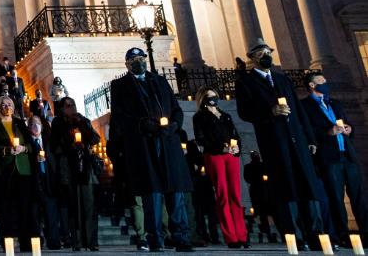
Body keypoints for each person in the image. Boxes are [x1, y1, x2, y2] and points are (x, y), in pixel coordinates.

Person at [236, 40, 324, 248]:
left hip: (297, 139)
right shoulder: (246, 82)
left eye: (268, 52)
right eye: (261, 53)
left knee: (307, 185)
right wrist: (270, 112)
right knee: (287, 187)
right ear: (252, 58)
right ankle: (295, 236)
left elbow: (299, 111)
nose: (266, 55)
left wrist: (310, 138)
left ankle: (316, 234)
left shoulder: (282, 79)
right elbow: (244, 112)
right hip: (274, 141)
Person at [108, 47, 191, 252]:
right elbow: (119, 116)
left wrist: (174, 126)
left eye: (142, 58)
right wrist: (141, 125)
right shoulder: (120, 85)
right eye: (134, 59)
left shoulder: (160, 81)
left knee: (176, 192)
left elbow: (176, 109)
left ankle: (180, 236)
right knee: (152, 194)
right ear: (127, 64)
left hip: (168, 141)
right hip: (144, 144)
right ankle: (155, 238)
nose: (140, 62)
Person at [300, 73, 368, 248]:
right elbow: (308, 131)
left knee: (359, 196)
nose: (325, 83)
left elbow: (348, 123)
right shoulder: (305, 106)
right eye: (321, 81)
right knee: (336, 198)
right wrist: (327, 133)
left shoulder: (335, 103)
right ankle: (343, 235)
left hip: (347, 154)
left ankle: (366, 233)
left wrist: (349, 128)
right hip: (329, 158)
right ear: (312, 85)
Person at [191, 86, 248, 248]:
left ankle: (242, 235)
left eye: (214, 95)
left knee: (235, 195)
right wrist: (221, 147)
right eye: (209, 96)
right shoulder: (199, 117)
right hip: (215, 156)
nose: (213, 98)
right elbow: (201, 139)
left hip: (231, 156)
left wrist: (236, 147)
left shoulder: (226, 116)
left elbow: (235, 135)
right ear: (203, 99)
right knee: (223, 195)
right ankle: (231, 237)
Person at [0, 96, 35, 251]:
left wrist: (24, 148)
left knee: (25, 208)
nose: (7, 107)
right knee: (5, 209)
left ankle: (26, 244)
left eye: (10, 104)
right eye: (3, 105)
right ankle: (7, 244)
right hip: (3, 171)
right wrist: (6, 150)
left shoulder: (20, 123)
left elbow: (31, 145)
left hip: (23, 170)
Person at [51, 97, 100, 251]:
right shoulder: (58, 122)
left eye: (72, 105)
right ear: (61, 108)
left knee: (89, 204)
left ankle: (91, 241)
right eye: (67, 106)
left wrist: (81, 125)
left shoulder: (82, 119)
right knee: (74, 206)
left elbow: (95, 138)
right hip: (69, 169)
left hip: (85, 167)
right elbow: (55, 144)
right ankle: (76, 241)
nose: (70, 108)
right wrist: (70, 144)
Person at [27, 115, 63, 250]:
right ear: (29, 127)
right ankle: (37, 244)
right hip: (34, 182)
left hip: (48, 181)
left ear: (42, 126)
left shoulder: (48, 142)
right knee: (35, 216)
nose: (35, 127)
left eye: (38, 124)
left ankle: (53, 241)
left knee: (51, 214)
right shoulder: (28, 143)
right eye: (32, 124)